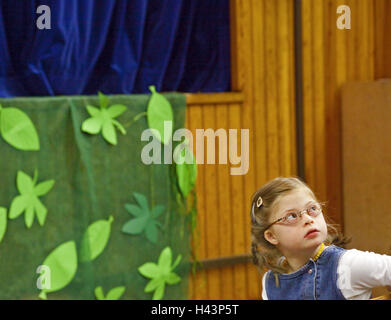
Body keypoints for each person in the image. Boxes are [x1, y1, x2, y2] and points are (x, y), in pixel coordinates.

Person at [250, 176, 391, 300]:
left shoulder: (347, 265)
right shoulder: (270, 283)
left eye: (312, 209)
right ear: (271, 236)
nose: (308, 219)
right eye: (291, 216)